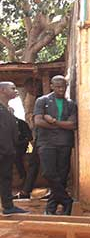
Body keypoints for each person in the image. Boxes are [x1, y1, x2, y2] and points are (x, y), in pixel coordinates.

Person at [34, 76, 77, 215]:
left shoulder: (70, 104)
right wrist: (61, 125)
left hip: (64, 143)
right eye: (58, 86)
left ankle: (52, 208)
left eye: (63, 87)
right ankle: (66, 200)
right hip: (46, 143)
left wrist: (53, 122)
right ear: (52, 86)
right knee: (48, 173)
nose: (61, 89)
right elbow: (38, 121)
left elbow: (72, 125)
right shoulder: (42, 101)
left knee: (62, 175)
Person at [0, 82, 28, 215]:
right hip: (3, 151)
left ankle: (8, 206)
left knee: (6, 179)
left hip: (8, 152)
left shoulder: (9, 110)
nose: (15, 91)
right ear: (3, 90)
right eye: (12, 88)